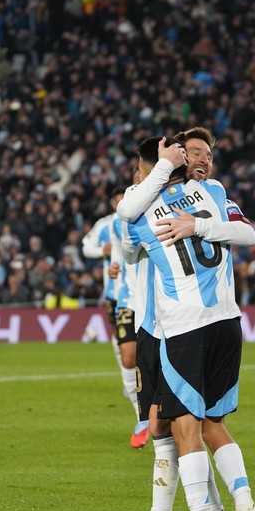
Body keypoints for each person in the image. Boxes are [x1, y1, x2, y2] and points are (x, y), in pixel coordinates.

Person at [118, 129, 255, 511]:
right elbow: (249, 235)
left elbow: (127, 219)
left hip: (180, 327)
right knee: (210, 424)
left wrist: (164, 166)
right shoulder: (212, 194)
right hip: (227, 321)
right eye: (194, 153)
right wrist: (199, 222)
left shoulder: (142, 209)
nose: (203, 160)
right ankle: (241, 509)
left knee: (183, 426)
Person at [82, 192, 149, 449]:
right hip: (119, 294)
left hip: (152, 297)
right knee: (128, 354)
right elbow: (88, 247)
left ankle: (153, 407)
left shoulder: (155, 212)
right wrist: (108, 257)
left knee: (147, 354)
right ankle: (139, 412)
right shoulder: (110, 223)